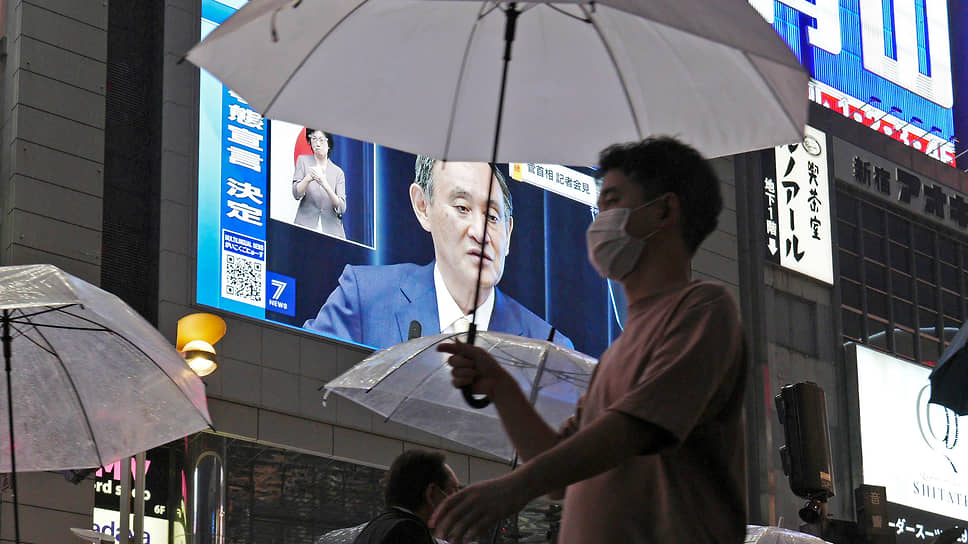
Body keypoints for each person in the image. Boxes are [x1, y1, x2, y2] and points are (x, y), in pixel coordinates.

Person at [431, 137, 749, 543]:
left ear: (663, 211)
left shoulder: (705, 310)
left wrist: (514, 488)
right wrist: (499, 385)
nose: (599, 224)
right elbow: (560, 475)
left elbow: (637, 429)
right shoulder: (616, 356)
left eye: (612, 203)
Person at [303, 157, 573, 349]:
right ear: (423, 207)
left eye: (492, 217)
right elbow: (303, 384)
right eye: (462, 208)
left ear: (509, 233)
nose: (480, 233)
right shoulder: (364, 298)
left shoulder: (548, 347)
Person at [352, 449, 460, 544]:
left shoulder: (374, 528)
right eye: (453, 492)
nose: (459, 503)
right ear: (431, 493)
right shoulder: (410, 533)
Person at [293, 128, 347, 239]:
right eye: (314, 139)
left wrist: (324, 183)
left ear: (329, 144)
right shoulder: (303, 161)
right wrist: (307, 179)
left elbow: (341, 207)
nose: (317, 144)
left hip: (331, 231)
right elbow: (296, 193)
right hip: (305, 226)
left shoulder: (338, 172)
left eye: (321, 140)